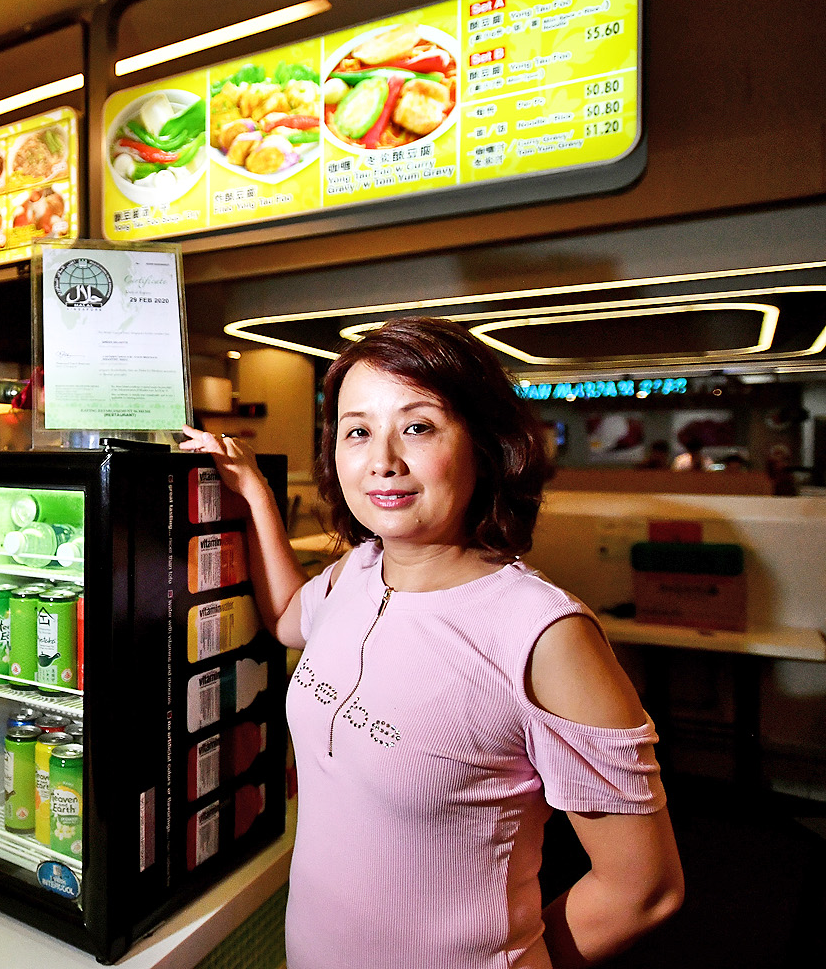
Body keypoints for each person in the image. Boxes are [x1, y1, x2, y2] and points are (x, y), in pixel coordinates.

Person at [181, 317, 682, 969]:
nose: (383, 459)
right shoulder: (356, 574)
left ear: (485, 443)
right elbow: (285, 620)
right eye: (358, 431)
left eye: (418, 426)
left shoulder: (542, 633)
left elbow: (642, 891)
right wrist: (253, 494)